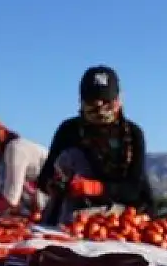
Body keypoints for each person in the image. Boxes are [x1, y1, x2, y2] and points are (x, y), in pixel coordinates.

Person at [36, 66, 155, 225]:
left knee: (79, 219)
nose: (100, 110)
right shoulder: (68, 130)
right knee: (71, 156)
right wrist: (56, 185)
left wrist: (96, 188)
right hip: (73, 203)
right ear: (81, 102)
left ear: (119, 100)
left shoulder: (133, 134)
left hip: (122, 207)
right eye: (92, 103)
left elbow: (133, 189)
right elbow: (44, 177)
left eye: (107, 103)